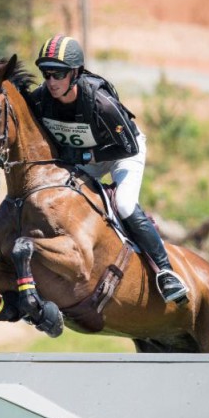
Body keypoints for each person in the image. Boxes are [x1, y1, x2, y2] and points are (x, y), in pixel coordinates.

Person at [30, 34, 189, 304]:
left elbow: (128, 147)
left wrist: (84, 154)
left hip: (123, 153)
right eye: (46, 74)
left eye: (58, 74)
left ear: (75, 73)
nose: (51, 82)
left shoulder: (99, 102)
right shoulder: (41, 99)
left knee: (125, 205)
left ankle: (165, 271)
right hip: (90, 158)